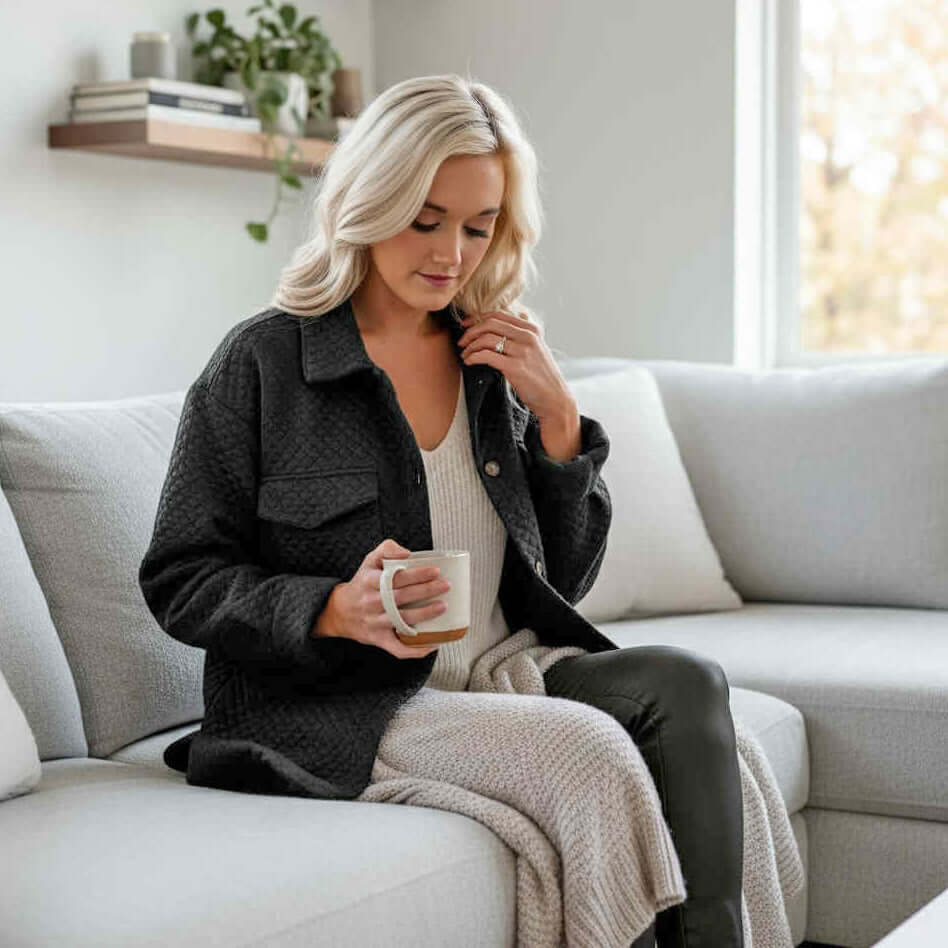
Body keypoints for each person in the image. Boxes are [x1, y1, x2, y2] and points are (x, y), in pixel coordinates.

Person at [139, 73, 743, 947]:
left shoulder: (489, 356)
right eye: (426, 219)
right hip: (348, 707)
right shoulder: (263, 363)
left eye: (478, 225)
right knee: (597, 759)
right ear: (368, 198)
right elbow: (179, 577)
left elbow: (561, 580)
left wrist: (561, 422)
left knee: (692, 690)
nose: (451, 252)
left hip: (500, 674)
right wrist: (332, 608)